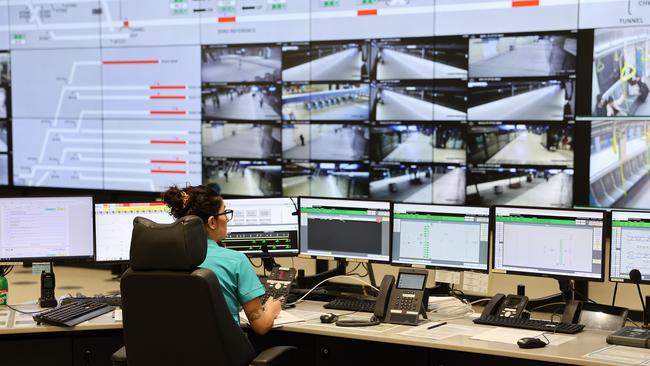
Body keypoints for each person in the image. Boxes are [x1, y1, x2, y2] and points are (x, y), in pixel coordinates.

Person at [162, 185, 281, 335]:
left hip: (171, 354)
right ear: (212, 222)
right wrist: (271, 310)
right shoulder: (236, 261)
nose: (227, 219)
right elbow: (261, 325)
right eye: (225, 212)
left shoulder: (161, 258)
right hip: (222, 356)